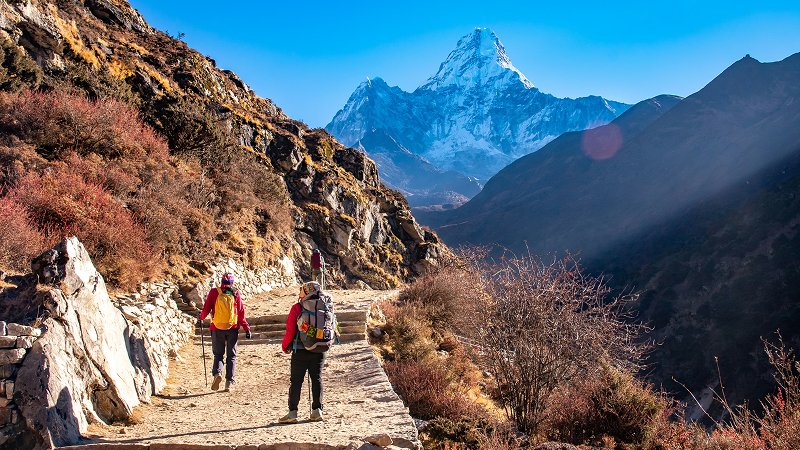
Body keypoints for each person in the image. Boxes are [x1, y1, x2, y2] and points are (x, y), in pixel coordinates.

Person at [279, 281, 326, 423]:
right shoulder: (325, 306)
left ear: (306, 292)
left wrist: (285, 346)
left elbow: (290, 330)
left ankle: (292, 413)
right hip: (319, 347)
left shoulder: (297, 308)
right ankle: (317, 411)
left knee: (296, 381)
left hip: (300, 349)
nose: (299, 294)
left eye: (301, 291)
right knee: (316, 379)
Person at [198, 272, 251, 392]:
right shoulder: (235, 293)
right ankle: (229, 382)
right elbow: (241, 313)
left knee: (218, 354)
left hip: (217, 328)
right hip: (232, 328)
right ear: (232, 283)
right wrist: (246, 328)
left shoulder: (214, 292)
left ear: (221, 282)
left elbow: (206, 308)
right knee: (231, 355)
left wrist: (200, 318)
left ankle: (217, 374)